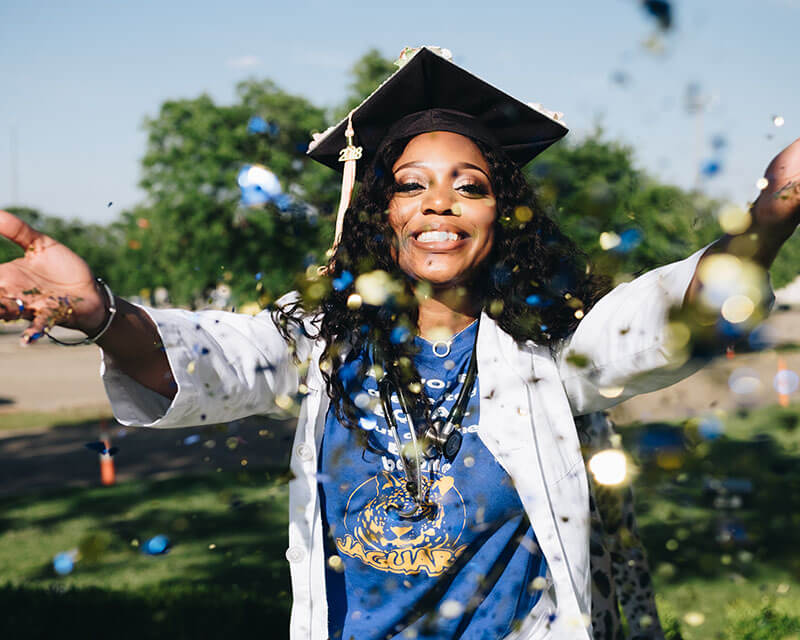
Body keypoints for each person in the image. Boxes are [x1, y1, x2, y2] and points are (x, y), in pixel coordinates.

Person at [0, 46, 798, 640]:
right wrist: (101, 313)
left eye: (470, 184)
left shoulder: (548, 350)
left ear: (501, 212)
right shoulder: (321, 339)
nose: (439, 203)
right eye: (411, 183)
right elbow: (209, 357)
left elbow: (662, 316)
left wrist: (771, 215)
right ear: (379, 211)